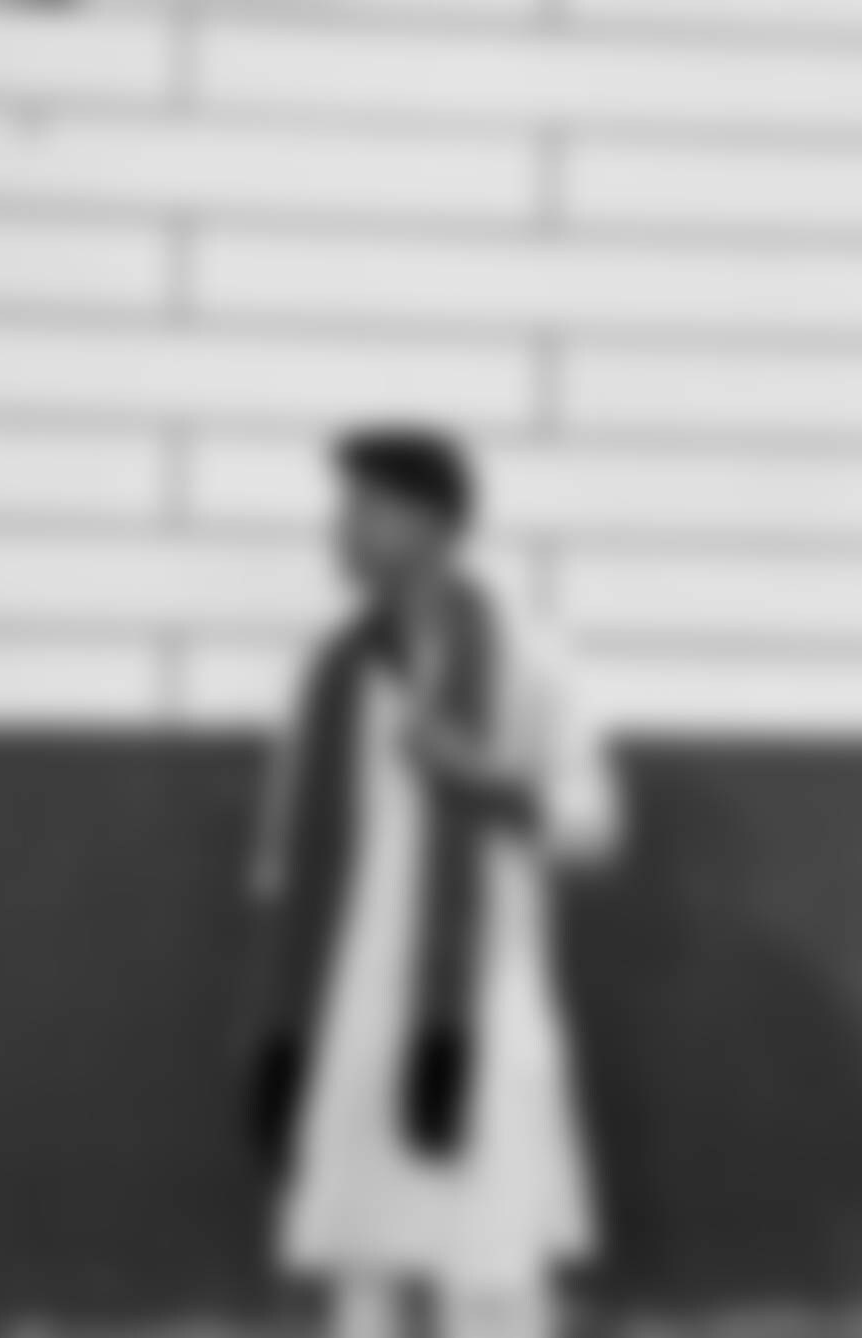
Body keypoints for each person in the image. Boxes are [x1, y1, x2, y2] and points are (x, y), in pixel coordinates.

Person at [239, 425, 625, 1338]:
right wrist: (282, 1022)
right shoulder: (332, 671)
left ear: (437, 524)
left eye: (368, 507)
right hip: (345, 1012)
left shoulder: (527, 653)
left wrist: (486, 780)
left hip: (477, 1010)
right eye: (343, 507)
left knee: (488, 1261)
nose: (341, 529)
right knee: (360, 1264)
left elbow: (594, 825)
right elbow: (282, 860)